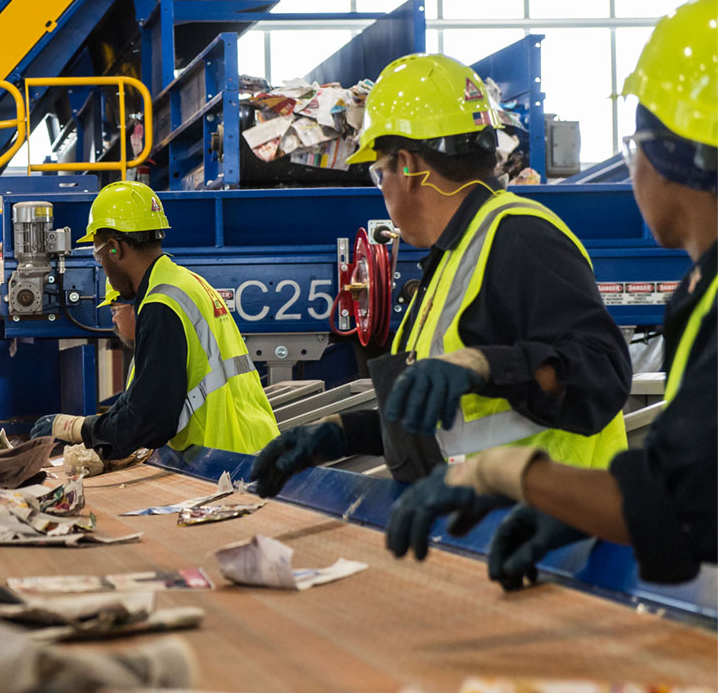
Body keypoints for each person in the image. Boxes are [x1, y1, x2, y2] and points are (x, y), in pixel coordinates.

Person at [384, 0, 717, 588]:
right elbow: (696, 481)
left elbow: (678, 500)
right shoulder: (704, 290)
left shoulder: (519, 239)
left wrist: (515, 476)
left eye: (635, 147)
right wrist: (571, 507)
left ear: (678, 156)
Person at [252, 54, 631, 498]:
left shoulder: (519, 238)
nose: (382, 189)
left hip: (548, 526)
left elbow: (602, 372)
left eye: (379, 173)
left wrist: (485, 365)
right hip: (477, 523)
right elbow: (452, 425)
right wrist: (341, 433)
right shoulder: (456, 255)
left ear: (409, 167)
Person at [31, 181, 278, 457]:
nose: (103, 267)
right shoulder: (186, 283)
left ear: (114, 248)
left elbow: (150, 421)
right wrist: (101, 434)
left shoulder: (161, 303)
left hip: (226, 458)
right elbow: (143, 398)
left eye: (98, 255)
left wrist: (77, 429)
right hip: (251, 447)